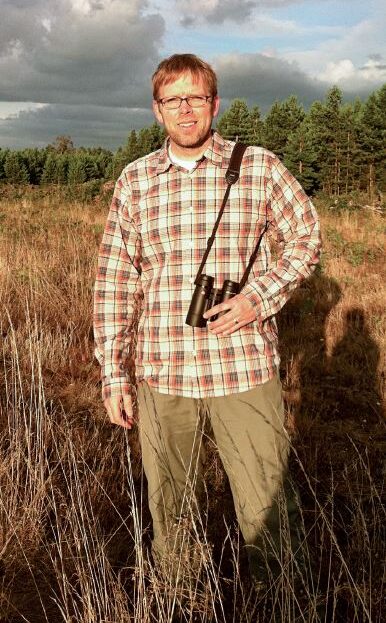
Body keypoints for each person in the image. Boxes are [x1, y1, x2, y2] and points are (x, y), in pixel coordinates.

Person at [93, 53, 321, 589]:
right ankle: (182, 596)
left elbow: (307, 238)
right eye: (173, 100)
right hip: (163, 373)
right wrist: (113, 373)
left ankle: (284, 599)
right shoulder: (135, 181)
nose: (185, 109)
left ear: (214, 104)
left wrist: (256, 300)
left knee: (267, 502)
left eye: (195, 97)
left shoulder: (260, 167)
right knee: (171, 508)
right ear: (157, 111)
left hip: (242, 369)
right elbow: (115, 281)